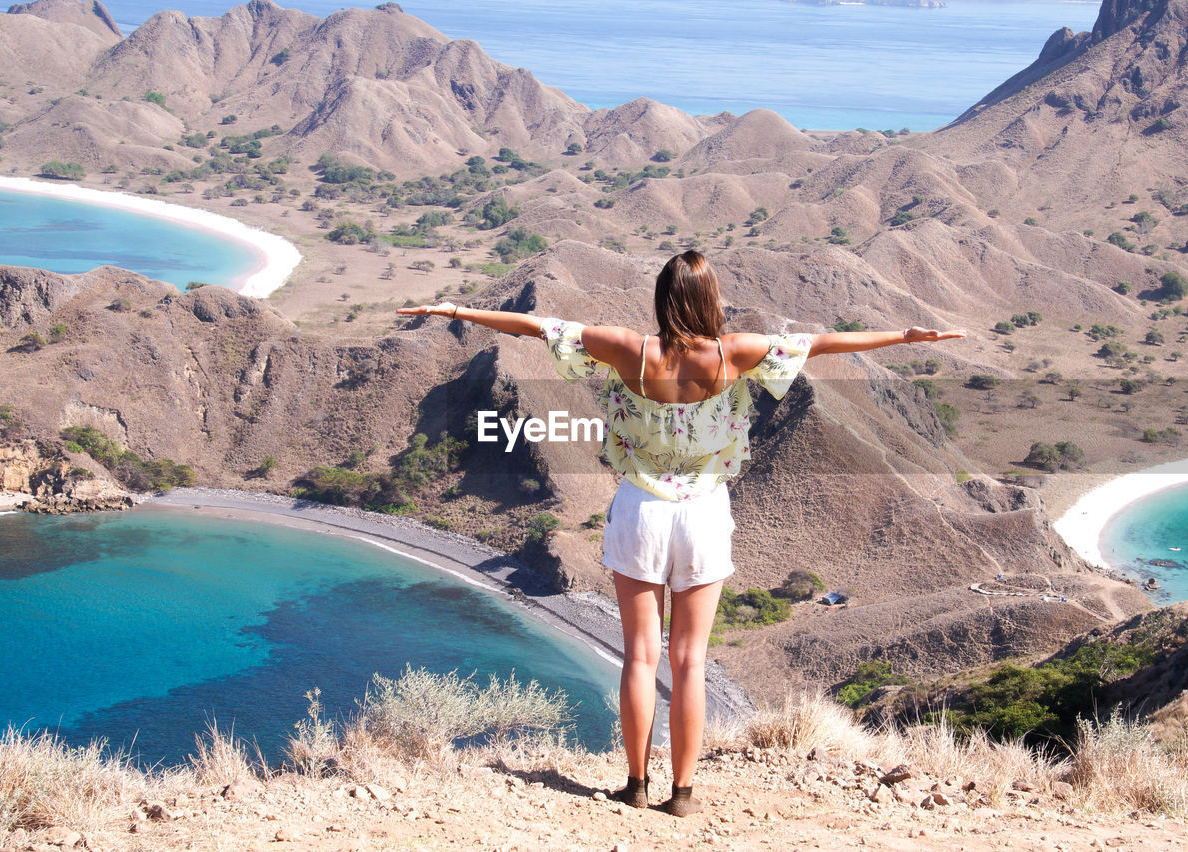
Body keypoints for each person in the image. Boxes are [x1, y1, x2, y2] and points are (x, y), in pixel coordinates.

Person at [397, 250, 964, 816]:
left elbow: (534, 327)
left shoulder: (628, 350)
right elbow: (823, 342)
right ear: (710, 299)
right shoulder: (734, 353)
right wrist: (906, 336)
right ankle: (684, 794)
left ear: (662, 298)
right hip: (704, 513)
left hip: (640, 508)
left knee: (640, 657)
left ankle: (637, 783)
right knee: (691, 660)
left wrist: (457, 311)